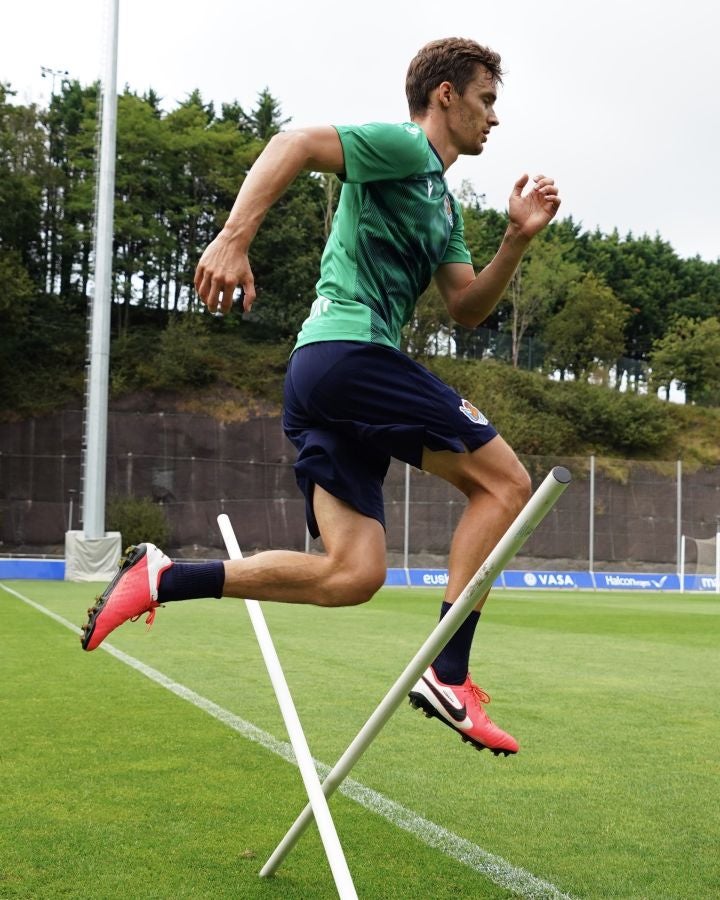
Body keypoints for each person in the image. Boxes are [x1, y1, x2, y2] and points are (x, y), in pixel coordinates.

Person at [81, 37, 560, 757]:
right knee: (507, 484)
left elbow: (465, 307)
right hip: (349, 354)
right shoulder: (406, 147)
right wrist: (233, 238)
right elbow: (296, 142)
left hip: (325, 379)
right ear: (446, 95)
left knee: (353, 574)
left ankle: (165, 579)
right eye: (486, 100)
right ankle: (449, 672)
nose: (495, 118)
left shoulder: (443, 206)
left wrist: (516, 241)